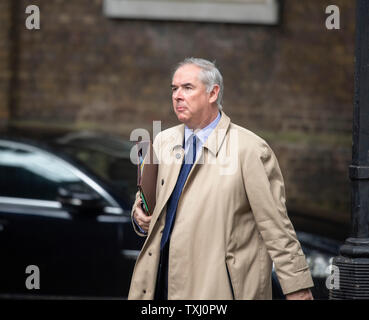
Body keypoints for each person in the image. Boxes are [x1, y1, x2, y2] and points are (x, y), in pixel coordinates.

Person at [128, 58, 314, 300]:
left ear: (213, 93)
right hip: (158, 284)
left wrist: (297, 287)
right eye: (174, 89)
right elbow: (154, 198)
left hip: (216, 288)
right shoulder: (163, 141)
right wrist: (138, 213)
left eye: (187, 88)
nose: (177, 96)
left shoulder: (250, 150)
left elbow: (275, 225)